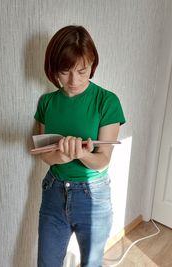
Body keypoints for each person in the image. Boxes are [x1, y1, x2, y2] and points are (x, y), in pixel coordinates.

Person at [34, 25, 125, 267]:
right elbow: (44, 155)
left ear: (92, 63)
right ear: (53, 68)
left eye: (82, 71)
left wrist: (83, 154)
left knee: (91, 264)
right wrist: (62, 156)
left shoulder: (107, 101)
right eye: (65, 72)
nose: (73, 81)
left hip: (92, 194)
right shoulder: (46, 102)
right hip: (54, 192)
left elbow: (103, 159)